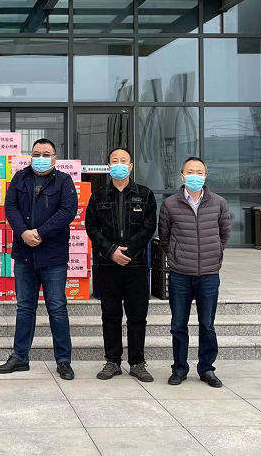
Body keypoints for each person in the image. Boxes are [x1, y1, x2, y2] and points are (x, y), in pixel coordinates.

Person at [0, 138, 78, 380]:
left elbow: (67, 212)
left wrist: (40, 233)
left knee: (57, 308)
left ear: (54, 158)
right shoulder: (20, 178)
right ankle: (20, 357)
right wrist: (23, 232)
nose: (40, 158)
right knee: (24, 307)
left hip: (53, 256)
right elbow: (10, 207)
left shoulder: (64, 181)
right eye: (36, 154)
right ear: (30, 156)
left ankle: (63, 360)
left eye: (46, 154)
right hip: (24, 255)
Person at [159, 156, 231, 388]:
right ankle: (179, 368)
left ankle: (206, 368)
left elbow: (224, 234)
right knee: (178, 324)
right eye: (190, 172)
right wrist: (175, 256)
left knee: (207, 324)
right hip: (180, 274)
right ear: (182, 176)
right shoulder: (170, 204)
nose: (195, 176)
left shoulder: (218, 203)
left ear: (205, 175)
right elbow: (164, 237)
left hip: (209, 274)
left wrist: (215, 253)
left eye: (199, 172)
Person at [86, 147, 157, 383]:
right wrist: (111, 251)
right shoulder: (98, 196)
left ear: (131, 166)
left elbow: (149, 226)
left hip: (137, 265)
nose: (119, 164)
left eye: (123, 160)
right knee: (110, 315)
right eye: (114, 161)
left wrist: (129, 250)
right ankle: (112, 361)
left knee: (137, 316)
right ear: (108, 167)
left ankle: (137, 363)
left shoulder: (145, 195)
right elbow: (92, 227)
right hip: (108, 265)